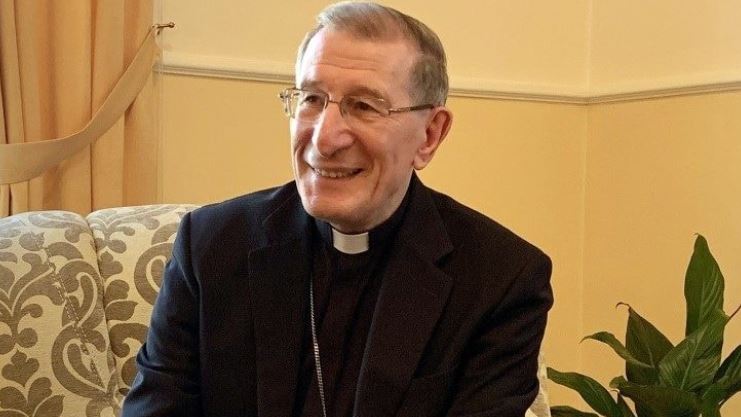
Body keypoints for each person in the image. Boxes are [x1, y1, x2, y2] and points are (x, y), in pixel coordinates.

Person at [121, 2, 553, 417]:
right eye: (311, 98)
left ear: (429, 136)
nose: (324, 139)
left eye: (364, 106)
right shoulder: (211, 246)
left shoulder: (501, 280)